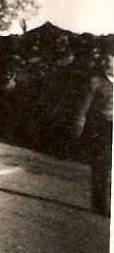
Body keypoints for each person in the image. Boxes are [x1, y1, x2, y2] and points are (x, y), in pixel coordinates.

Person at [73, 52, 113, 216]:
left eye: (110, 59)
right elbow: (81, 110)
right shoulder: (95, 82)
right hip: (102, 129)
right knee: (102, 167)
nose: (106, 63)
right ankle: (101, 204)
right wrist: (77, 128)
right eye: (105, 59)